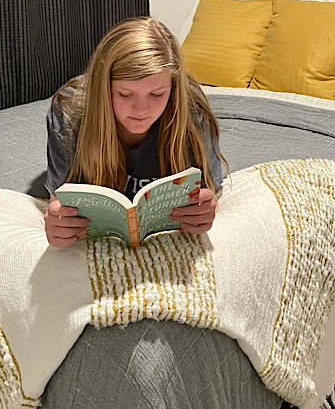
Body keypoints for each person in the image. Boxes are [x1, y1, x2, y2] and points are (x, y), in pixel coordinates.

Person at [44, 16, 224, 248]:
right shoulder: (68, 114)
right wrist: (57, 221)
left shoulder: (192, 113)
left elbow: (211, 192)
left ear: (173, 89)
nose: (141, 110)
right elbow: (58, 201)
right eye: (125, 94)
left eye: (157, 94)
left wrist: (206, 209)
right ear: (103, 89)